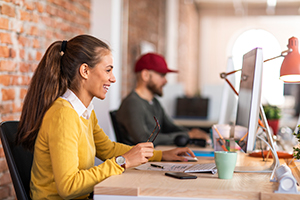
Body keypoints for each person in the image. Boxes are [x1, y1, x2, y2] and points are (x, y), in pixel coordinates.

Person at [15, 35, 196, 200]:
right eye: (108, 70)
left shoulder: (85, 112)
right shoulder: (64, 115)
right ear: (85, 71)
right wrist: (123, 162)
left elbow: (107, 148)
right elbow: (68, 186)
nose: (113, 78)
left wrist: (160, 155)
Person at [116, 53, 209, 146]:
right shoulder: (132, 103)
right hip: (141, 160)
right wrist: (187, 135)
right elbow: (145, 139)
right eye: (162, 75)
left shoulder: (154, 102)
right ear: (145, 75)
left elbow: (170, 127)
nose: (165, 81)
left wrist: (193, 133)